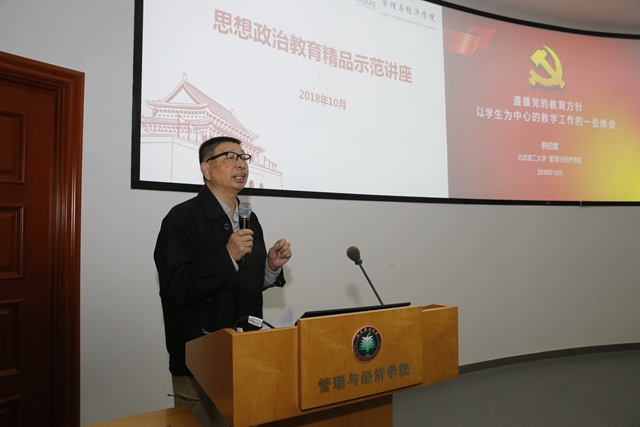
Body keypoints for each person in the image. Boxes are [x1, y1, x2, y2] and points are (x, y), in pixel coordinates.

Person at [154, 136, 292, 427]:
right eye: (230, 157)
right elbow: (175, 288)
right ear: (206, 169)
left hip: (246, 354)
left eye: (243, 157)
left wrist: (269, 267)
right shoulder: (181, 218)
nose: (240, 164)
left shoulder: (249, 219)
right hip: (201, 361)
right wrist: (226, 256)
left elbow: (243, 282)